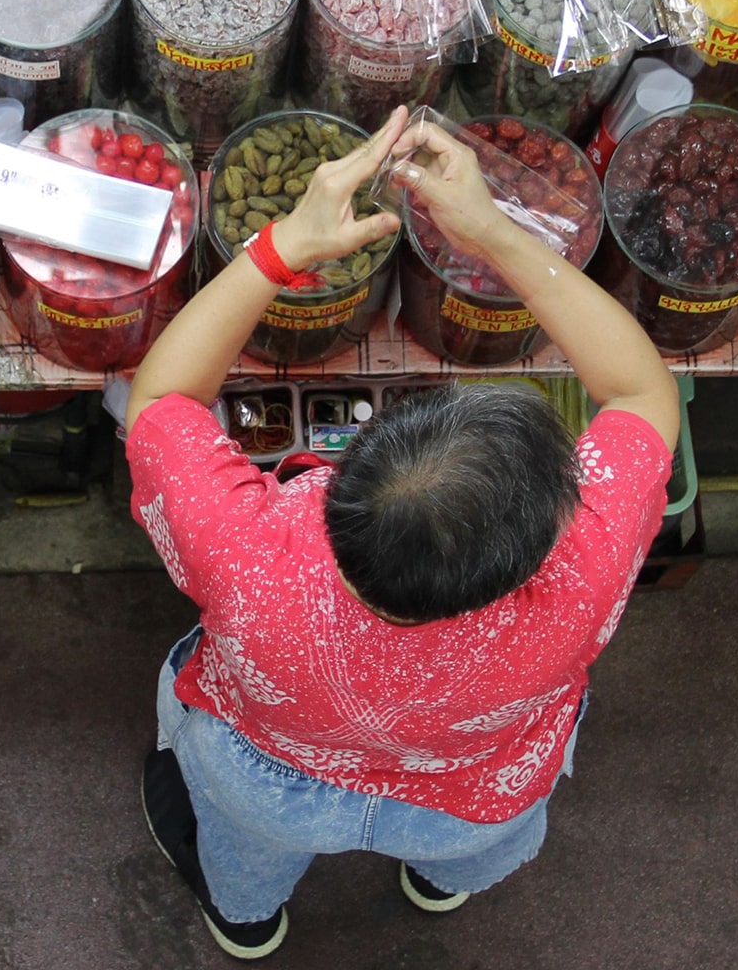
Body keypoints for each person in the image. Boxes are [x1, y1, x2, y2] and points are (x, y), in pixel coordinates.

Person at [124, 105, 679, 959]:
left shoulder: (252, 555)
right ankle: (438, 884)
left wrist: (281, 248)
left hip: (271, 781)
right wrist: (493, 233)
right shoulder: (585, 573)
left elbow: (160, 404)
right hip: (470, 796)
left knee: (246, 853)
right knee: (466, 848)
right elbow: (641, 392)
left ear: (339, 481)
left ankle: (247, 921)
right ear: (539, 543)